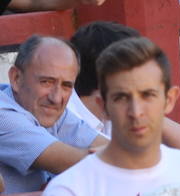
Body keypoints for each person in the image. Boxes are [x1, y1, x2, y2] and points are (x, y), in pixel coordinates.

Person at [44, 36, 180, 194]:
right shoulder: (70, 189)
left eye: (148, 95)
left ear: (169, 100)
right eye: (121, 98)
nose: (136, 112)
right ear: (103, 106)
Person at [0, 36, 107, 193]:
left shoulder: (43, 107)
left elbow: (107, 148)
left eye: (66, 86)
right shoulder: (4, 117)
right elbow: (83, 164)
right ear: (16, 78)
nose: (56, 98)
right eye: (46, 82)